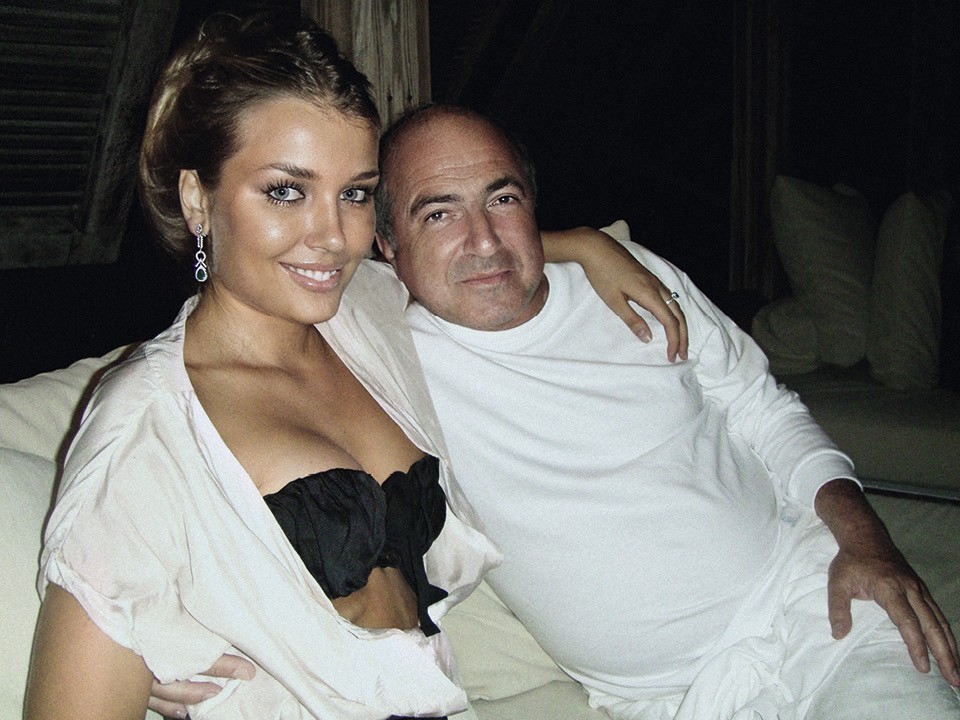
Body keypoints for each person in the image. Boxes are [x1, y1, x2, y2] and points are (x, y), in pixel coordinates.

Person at [24, 15, 686, 720]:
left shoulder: (363, 312)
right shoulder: (145, 430)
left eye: (356, 193)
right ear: (197, 200)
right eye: (286, 191)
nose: (334, 238)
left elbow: (458, 253)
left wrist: (583, 244)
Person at [368, 105, 959, 719]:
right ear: (387, 245)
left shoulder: (636, 280)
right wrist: (583, 241)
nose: (485, 240)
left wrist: (867, 541)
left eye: (503, 199)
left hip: (815, 599)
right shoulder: (389, 355)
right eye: (438, 214)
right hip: (667, 699)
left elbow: (762, 406)